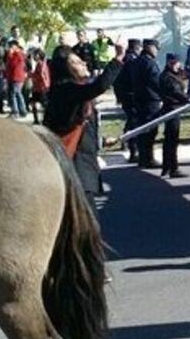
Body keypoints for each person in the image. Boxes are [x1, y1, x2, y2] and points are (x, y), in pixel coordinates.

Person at [45, 45, 125, 215]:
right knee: (86, 221)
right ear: (66, 69)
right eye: (76, 62)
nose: (84, 63)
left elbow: (79, 130)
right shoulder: (65, 91)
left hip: (81, 167)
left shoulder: (76, 93)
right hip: (74, 169)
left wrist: (100, 141)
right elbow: (98, 86)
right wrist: (118, 58)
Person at [129, 39, 164, 169]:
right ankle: (148, 158)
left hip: (139, 99)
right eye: (156, 48)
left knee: (142, 129)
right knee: (150, 130)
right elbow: (156, 81)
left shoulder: (136, 61)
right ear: (149, 47)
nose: (157, 51)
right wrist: (164, 93)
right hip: (150, 100)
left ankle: (143, 158)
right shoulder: (149, 63)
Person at [158, 53, 189, 179]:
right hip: (172, 108)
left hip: (175, 108)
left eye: (176, 63)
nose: (175, 65)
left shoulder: (175, 74)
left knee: (170, 139)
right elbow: (175, 91)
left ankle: (167, 166)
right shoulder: (167, 77)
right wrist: (187, 99)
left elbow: (185, 76)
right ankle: (172, 167)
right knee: (171, 139)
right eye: (172, 63)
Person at [113, 38, 141, 162]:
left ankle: (127, 142)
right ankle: (133, 149)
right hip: (131, 94)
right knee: (134, 121)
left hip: (124, 94)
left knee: (131, 119)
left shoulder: (124, 59)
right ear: (137, 48)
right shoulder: (132, 60)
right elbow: (133, 79)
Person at [4, 38, 28, 118]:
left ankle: (16, 111)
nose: (10, 48)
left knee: (14, 93)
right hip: (12, 76)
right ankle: (22, 111)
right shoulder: (14, 54)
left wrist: (10, 55)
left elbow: (13, 64)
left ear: (15, 46)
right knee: (17, 93)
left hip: (17, 77)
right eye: (9, 46)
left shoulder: (18, 54)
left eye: (11, 46)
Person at [29, 48, 51, 125]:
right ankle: (38, 119)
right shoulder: (41, 64)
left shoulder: (41, 64)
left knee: (43, 104)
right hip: (39, 87)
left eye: (35, 55)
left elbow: (42, 76)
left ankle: (44, 120)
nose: (34, 56)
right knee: (35, 103)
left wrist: (32, 76)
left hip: (41, 88)